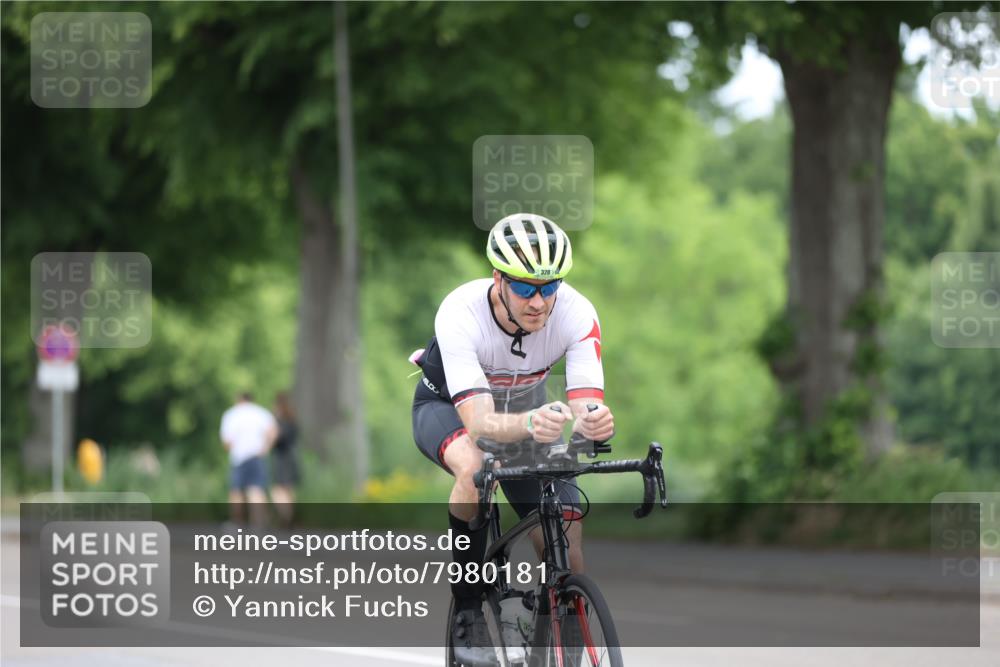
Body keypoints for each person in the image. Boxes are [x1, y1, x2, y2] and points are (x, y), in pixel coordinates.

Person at [410, 213, 614, 665]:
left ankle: (560, 624)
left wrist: (595, 423)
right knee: (475, 468)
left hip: (526, 413)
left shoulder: (577, 313)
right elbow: (480, 424)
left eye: (549, 286)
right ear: (498, 279)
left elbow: (586, 403)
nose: (539, 302)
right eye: (524, 287)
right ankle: (468, 609)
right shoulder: (461, 312)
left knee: (565, 535)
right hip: (448, 409)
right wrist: (532, 424)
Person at [220, 392, 278, 527]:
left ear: (238, 400)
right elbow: (273, 431)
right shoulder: (261, 412)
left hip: (239, 457)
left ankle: (236, 522)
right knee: (256, 489)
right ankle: (258, 523)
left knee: (236, 491)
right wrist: (266, 448)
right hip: (257, 455)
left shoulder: (231, 414)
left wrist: (232, 448)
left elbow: (226, 441)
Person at [270, 391, 300, 527]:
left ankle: (285, 517)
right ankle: (290, 516)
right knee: (288, 489)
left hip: (282, 457)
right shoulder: (293, 420)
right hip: (292, 456)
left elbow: (276, 438)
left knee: (277, 490)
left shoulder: (279, 422)